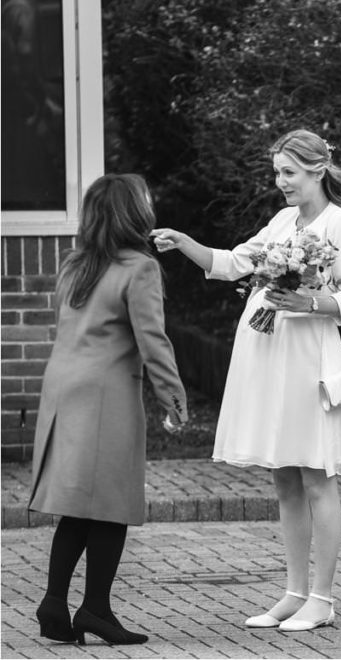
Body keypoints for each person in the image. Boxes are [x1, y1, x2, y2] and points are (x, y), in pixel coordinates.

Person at [152, 129, 341, 630]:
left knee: (317, 476)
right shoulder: (282, 220)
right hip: (270, 359)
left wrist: (308, 302)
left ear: (317, 170)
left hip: (308, 356)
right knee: (285, 476)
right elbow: (233, 264)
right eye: (277, 173)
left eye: (289, 172)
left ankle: (323, 597)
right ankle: (293, 591)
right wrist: (186, 244)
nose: (281, 182)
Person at [29, 174, 188, 645]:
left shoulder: (75, 264)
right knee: (111, 506)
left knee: (80, 507)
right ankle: (95, 609)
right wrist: (174, 401)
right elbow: (152, 340)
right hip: (106, 396)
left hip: (63, 390)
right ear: (131, 213)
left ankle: (55, 604)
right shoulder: (140, 268)